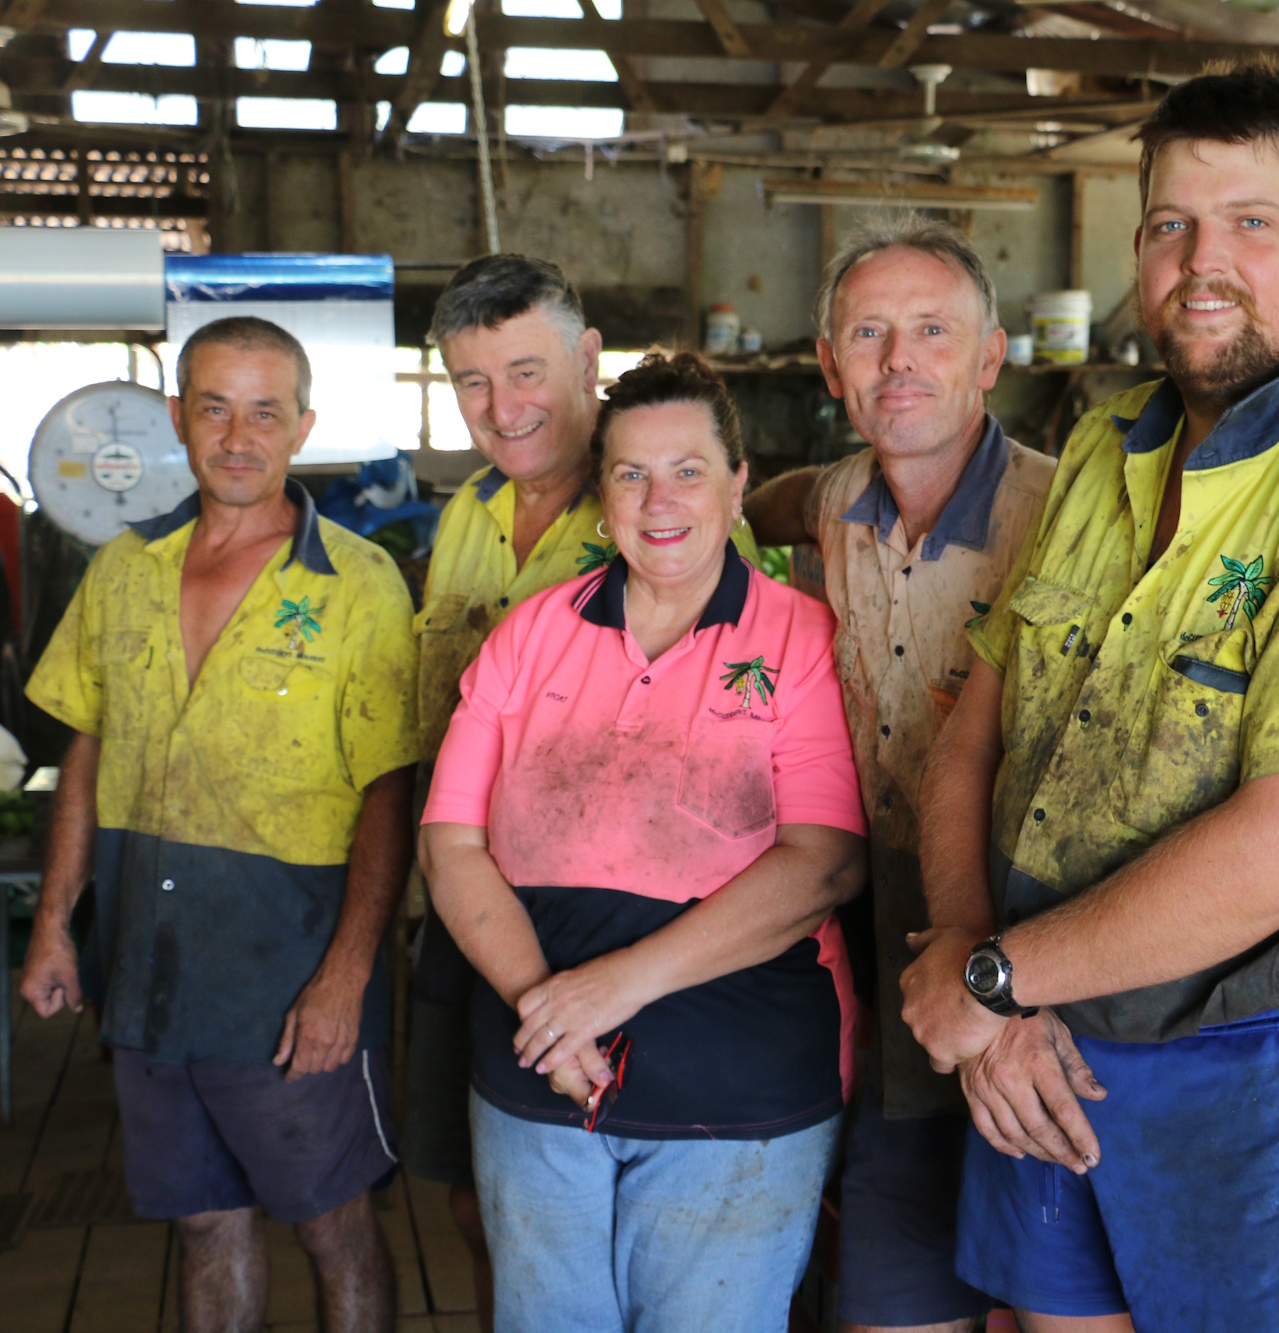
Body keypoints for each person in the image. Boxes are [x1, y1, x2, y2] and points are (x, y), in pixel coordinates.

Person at [900, 66, 1279, 1333]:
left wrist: (994, 978)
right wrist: (986, 980)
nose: (1203, 259)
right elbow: (973, 738)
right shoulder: (1102, 442)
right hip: (1045, 1035)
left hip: (1266, 1057)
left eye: (1251, 221)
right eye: (1171, 224)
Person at [421, 351, 868, 1332]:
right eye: (629, 473)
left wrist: (609, 989)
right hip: (537, 1071)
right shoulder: (531, 633)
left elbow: (823, 860)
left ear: (739, 484)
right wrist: (546, 1011)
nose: (657, 500)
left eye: (688, 470)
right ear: (600, 494)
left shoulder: (801, 638)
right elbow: (450, 842)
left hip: (737, 1085)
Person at [20, 315, 419, 1333]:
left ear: (303, 427)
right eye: (213, 408)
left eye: (265, 412)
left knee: (334, 1227)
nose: (237, 436)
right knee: (204, 1225)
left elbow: (387, 790)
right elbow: (87, 751)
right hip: (150, 973)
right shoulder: (123, 572)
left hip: (288, 967)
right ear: (176, 419)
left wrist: (344, 977)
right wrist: (56, 922)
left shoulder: (357, 584)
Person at [404, 261, 761, 1320]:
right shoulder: (468, 515)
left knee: (638, 1231)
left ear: (587, 360)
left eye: (524, 370)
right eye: (471, 382)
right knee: (485, 1207)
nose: (503, 408)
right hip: (474, 913)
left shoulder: (666, 528)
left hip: (624, 945)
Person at [746, 215, 1053, 1333]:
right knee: (895, 1288)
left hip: (1033, 951)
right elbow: (771, 500)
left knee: (1037, 1289)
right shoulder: (834, 505)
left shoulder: (1065, 517)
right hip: (883, 944)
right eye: (867, 333)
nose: (898, 359)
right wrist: (706, 502)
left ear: (988, 356)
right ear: (829, 366)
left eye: (932, 330)